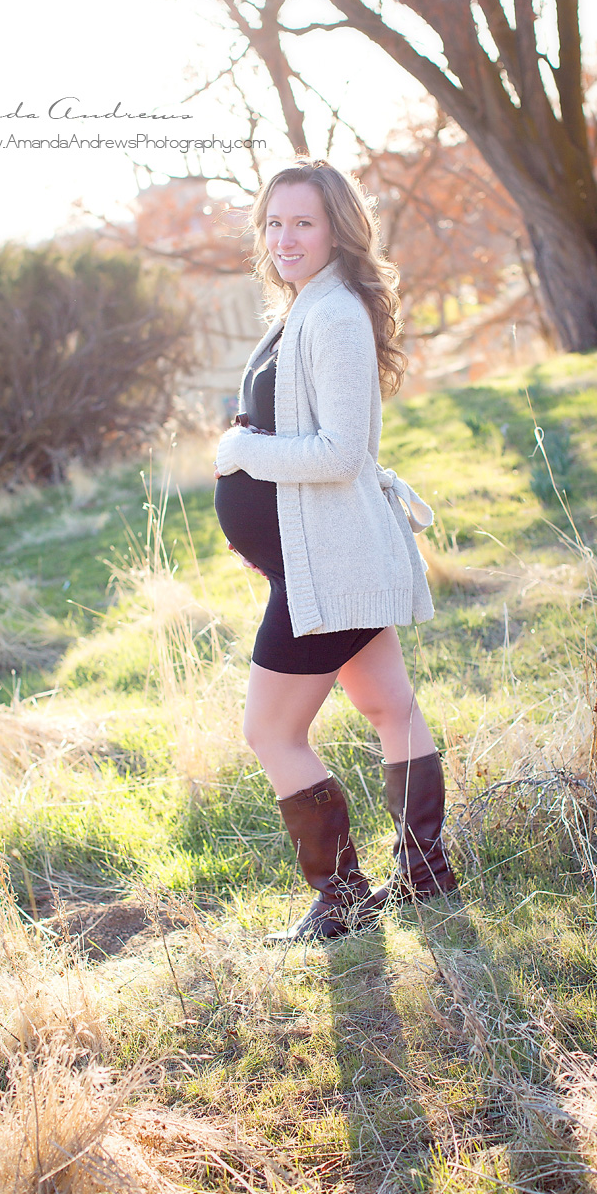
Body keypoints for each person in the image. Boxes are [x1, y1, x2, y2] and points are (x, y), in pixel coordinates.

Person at [214, 158, 457, 943]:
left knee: (270, 733)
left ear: (337, 230)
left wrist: (243, 456)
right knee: (389, 705)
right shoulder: (301, 309)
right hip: (318, 559)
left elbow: (339, 452)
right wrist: (274, 543)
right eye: (274, 222)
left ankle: (344, 896)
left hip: (340, 564)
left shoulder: (336, 315)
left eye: (303, 222)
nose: (284, 237)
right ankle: (423, 873)